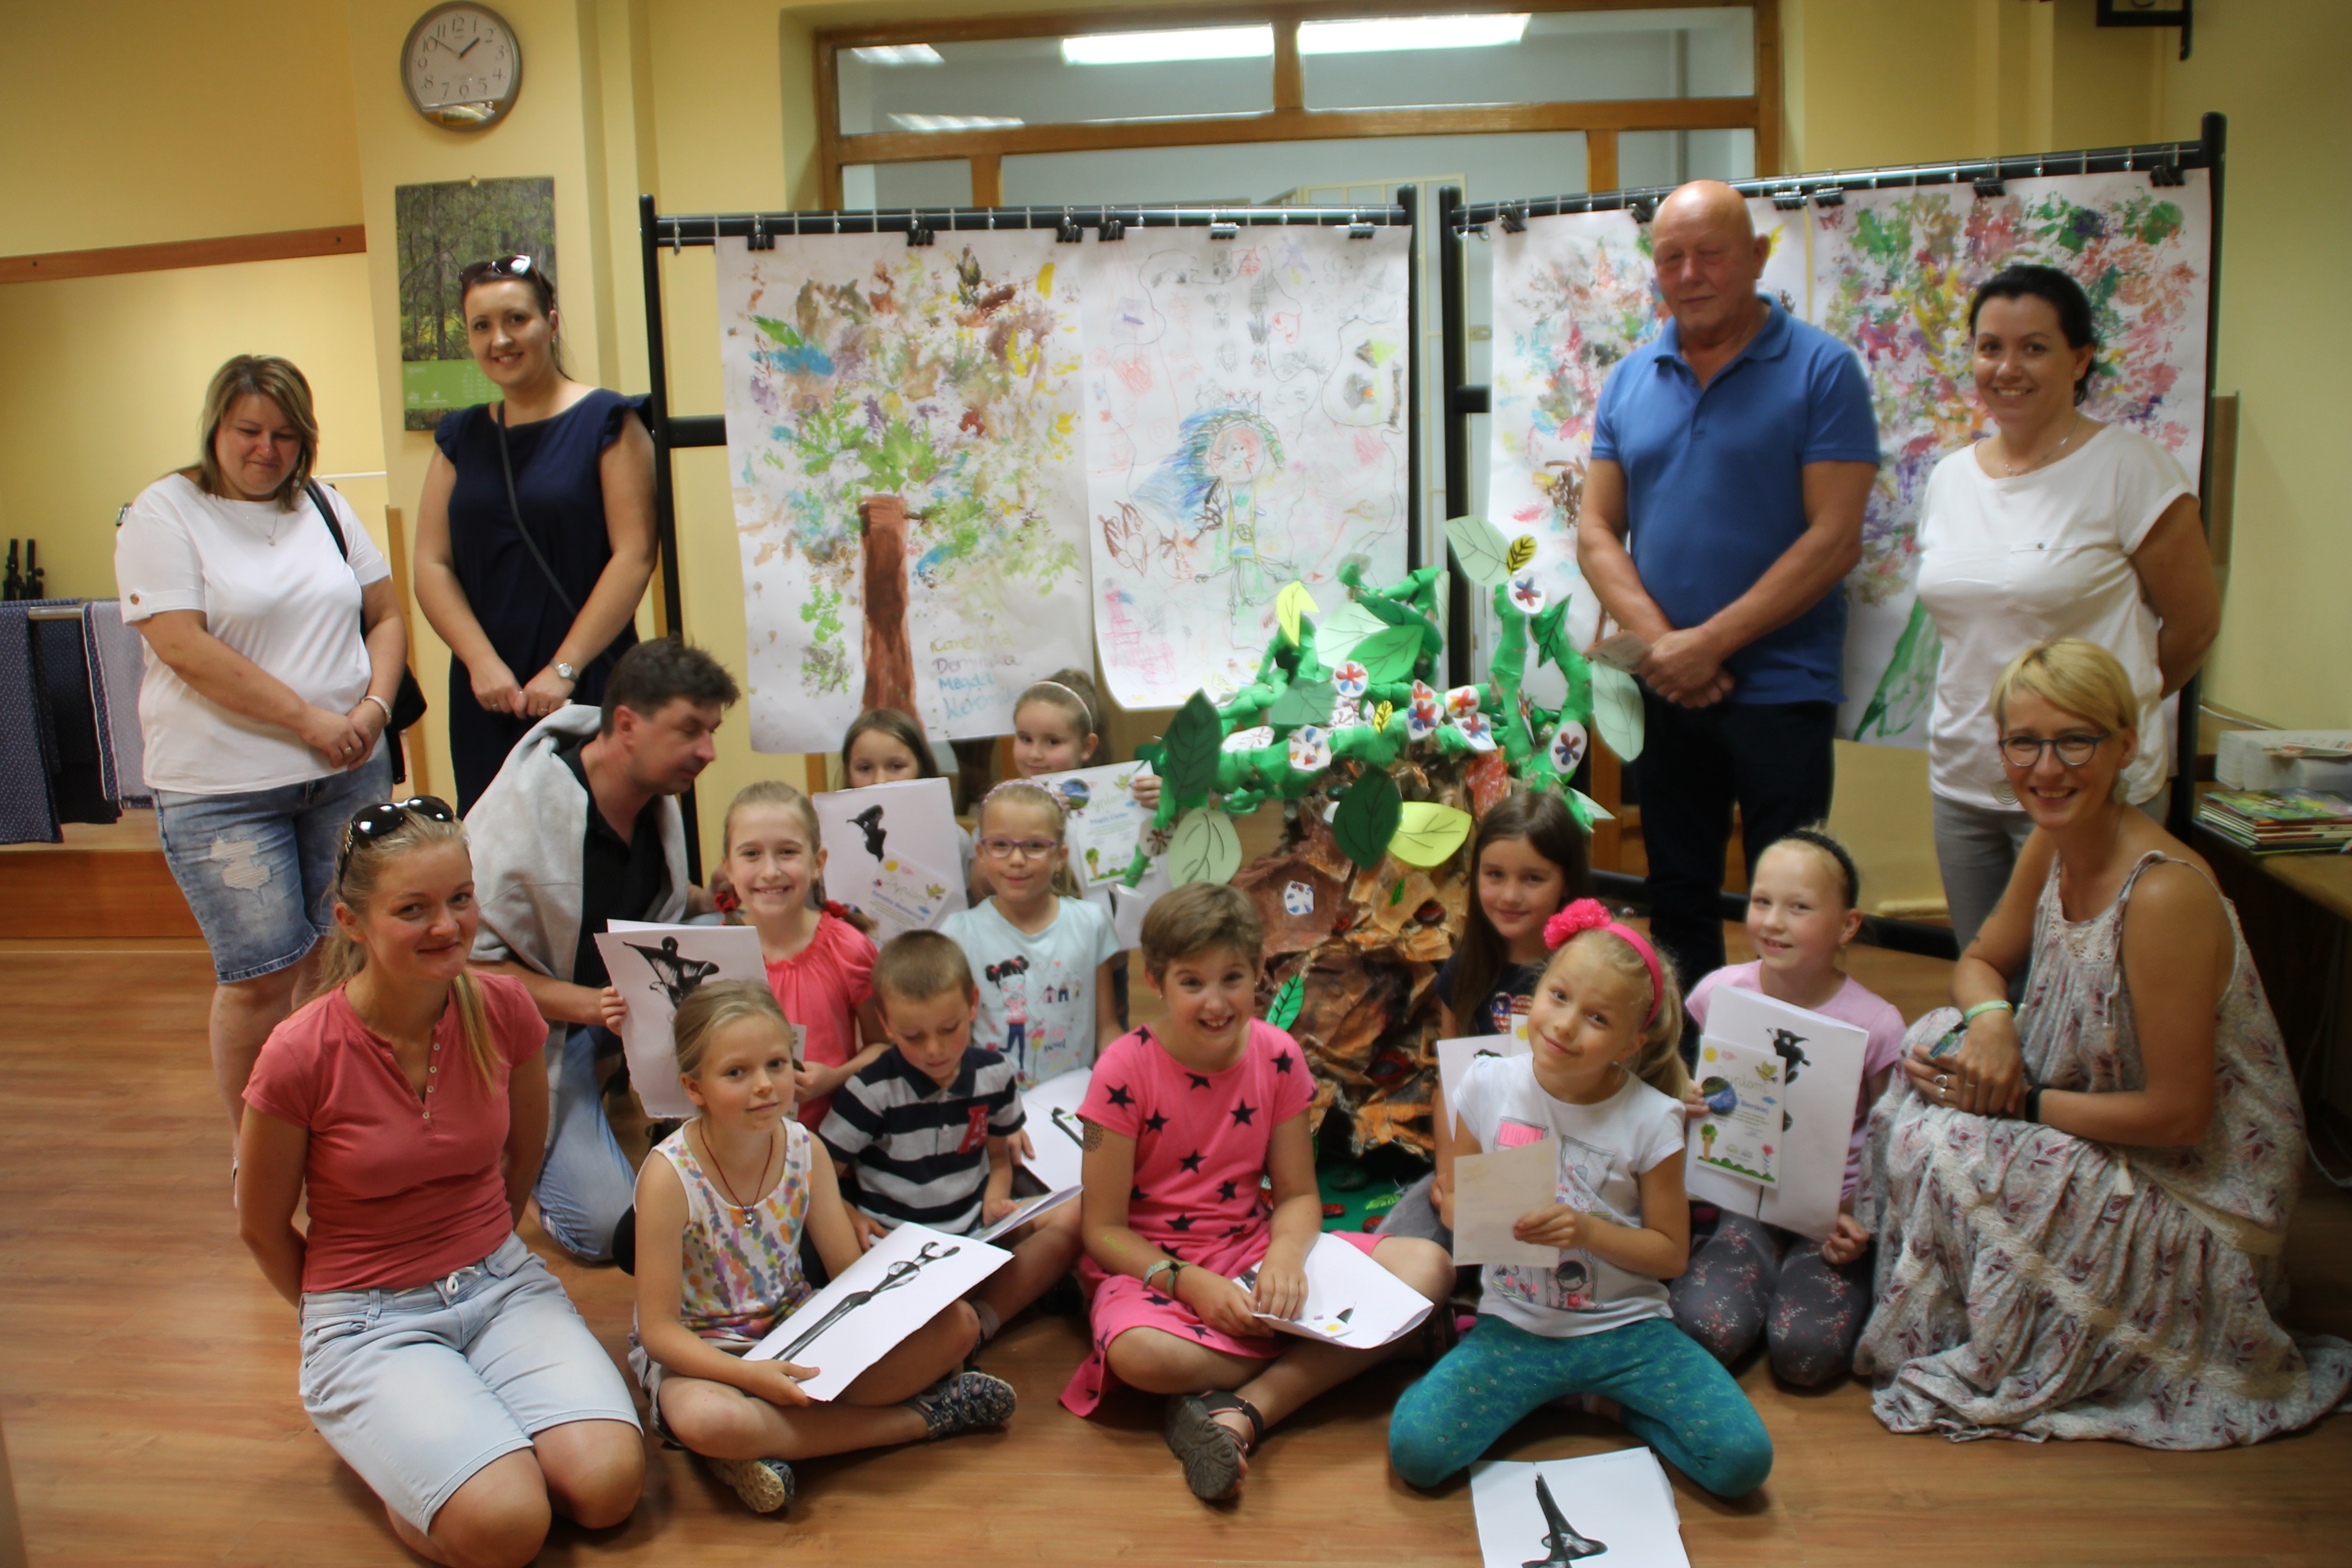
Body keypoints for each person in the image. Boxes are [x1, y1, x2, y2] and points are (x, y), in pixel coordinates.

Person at [1855, 639, 2352, 1445]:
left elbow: (2182, 1118)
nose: (2047, 768)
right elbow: (1980, 961)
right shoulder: (2058, 838)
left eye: (2074, 741)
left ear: (2126, 745)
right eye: (2024, 742)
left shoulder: (2161, 894)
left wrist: (2021, 1102)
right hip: (2100, 1107)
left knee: (1949, 1142)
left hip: (2197, 1188)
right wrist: (1993, 1024)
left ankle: (1989, 1325)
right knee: (1931, 1046)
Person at [237, 798, 642, 1567]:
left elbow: (523, 1157)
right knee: (508, 1526)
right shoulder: (298, 1053)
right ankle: (397, 1441)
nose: (447, 926)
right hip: (369, 1315)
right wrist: (338, 1317)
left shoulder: (504, 1008)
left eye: (460, 899)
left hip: (499, 1283)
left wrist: (487, 1248)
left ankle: (453, 1435)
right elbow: (260, 1225)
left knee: (608, 1488)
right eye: (413, 909)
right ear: (352, 922)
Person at [1576, 178, 1881, 987]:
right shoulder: (1630, 379)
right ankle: (1683, 1053)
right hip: (1668, 689)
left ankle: (1789, 1054)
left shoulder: (1823, 371)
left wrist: (1709, 644)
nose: (1690, 274)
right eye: (1671, 257)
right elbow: (1597, 532)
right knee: (1677, 891)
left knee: (1795, 906)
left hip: (1784, 688)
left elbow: (1835, 538)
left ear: (1756, 255)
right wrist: (1667, 651)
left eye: (1710, 254)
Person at [1063, 883, 1455, 1501]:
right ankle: (1367, 1346)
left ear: (1258, 976)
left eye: (1233, 978)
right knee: (1139, 1355)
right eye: (1192, 982)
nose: (1216, 1002)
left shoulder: (1278, 1055)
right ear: (1157, 981)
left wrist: (1284, 1257)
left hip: (1252, 1250)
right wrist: (1187, 1283)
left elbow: (1297, 1195)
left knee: (1429, 1266)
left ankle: (1245, 1406)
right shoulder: (1122, 1068)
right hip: (1155, 1271)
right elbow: (1102, 1231)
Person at [117, 354, 409, 1148]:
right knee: (260, 976)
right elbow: (183, 646)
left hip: (346, 773)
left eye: (286, 435)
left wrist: (376, 708)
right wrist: (309, 721)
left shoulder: (324, 505)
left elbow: (385, 614)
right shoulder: (164, 512)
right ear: (216, 427)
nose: (266, 450)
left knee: (343, 961)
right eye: (249, 430)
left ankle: (335, 1126)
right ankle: (262, 1152)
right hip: (225, 792)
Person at [1390, 901, 1773, 1499]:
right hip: (1516, 1326)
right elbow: (1457, 1201)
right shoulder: (1487, 1084)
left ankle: (1594, 1402)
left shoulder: (1654, 1118)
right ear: (1535, 993)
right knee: (1416, 1450)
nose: (1565, 1026)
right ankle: (1567, 1397)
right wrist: (1482, 1213)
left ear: (1631, 1041)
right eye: (1559, 996)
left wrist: (1587, 1231)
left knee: (1742, 1461)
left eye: (1597, 1018)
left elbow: (1671, 1254)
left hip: (1629, 1330)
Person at [1915, 263, 2220, 953]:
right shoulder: (1949, 479)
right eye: (1990, 347)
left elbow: (2194, 625)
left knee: (2087, 994)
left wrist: (2104, 717)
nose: (2007, 368)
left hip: (2084, 785)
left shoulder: (2131, 468)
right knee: (1987, 979)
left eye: (2034, 347)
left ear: (2080, 359)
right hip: (1965, 779)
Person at [630, 981, 1013, 1517]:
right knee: (709, 1420)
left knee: (959, 1325)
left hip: (799, 1329)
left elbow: (848, 1275)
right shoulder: (668, 1176)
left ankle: (765, 1443)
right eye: (737, 1073)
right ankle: (919, 1420)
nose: (765, 1085)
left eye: (776, 1064)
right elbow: (660, 1332)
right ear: (695, 1087)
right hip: (708, 1357)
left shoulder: (803, 1148)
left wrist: (914, 1295)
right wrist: (748, 1376)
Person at [465, 636, 738, 1261]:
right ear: (628, 725)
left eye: (712, 732)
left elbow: (645, 902)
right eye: (690, 731)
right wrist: (588, 1007)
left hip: (609, 1011)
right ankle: (521, 1151)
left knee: (739, 926)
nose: (708, 751)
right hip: (539, 1037)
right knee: (608, 1231)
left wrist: (724, 894)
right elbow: (466, 969)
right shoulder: (522, 813)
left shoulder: (651, 794)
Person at [413, 254, 658, 812]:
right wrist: (480, 663)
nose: (500, 339)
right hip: (489, 691)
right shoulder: (460, 436)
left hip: (587, 678)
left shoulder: (608, 421)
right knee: (497, 842)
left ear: (551, 322)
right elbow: (431, 563)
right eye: (482, 326)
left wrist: (564, 668)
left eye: (516, 319)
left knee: (598, 833)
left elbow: (635, 555)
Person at [1670, 829, 1903, 1387]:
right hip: (1741, 1204)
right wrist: (1685, 1097)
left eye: (1799, 907)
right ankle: (1746, 1266)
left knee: (1805, 1354)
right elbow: (1675, 1074)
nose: (1773, 922)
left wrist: (1861, 1223)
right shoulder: (1719, 992)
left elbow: (1891, 1138)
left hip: (1831, 1220)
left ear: (1847, 925)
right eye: (1762, 901)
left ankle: (1797, 1280)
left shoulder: (1877, 1024)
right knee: (1703, 1329)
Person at [820, 930, 1085, 1341]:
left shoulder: (994, 1074)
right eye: (913, 1036)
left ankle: (979, 1325)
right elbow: (817, 1181)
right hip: (896, 1251)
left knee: (1076, 1213)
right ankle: (961, 1324)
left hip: (976, 1234)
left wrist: (995, 1200)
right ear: (886, 1024)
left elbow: (999, 1160)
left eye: (949, 1028)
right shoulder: (870, 1091)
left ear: (974, 1003)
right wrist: (850, 1215)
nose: (934, 1049)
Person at [1378, 790, 1591, 1248]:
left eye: (1533, 878)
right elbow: (1452, 1085)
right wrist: (1451, 1177)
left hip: (1573, 1170)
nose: (1510, 895)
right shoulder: (1467, 970)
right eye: (1494, 875)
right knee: (1400, 1247)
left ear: (1567, 881)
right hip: (1484, 1162)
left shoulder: (1591, 970)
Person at [666, 780, 885, 1134]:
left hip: (833, 1141)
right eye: (751, 854)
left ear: (817, 862)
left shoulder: (848, 948)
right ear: (728, 869)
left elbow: (884, 1045)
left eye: (787, 852)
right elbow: (688, 1056)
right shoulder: (711, 957)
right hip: (739, 1143)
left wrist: (835, 1077)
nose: (770, 871)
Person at [942, 782, 1120, 1087]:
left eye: (1035, 846)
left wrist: (1126, 1079)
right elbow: (955, 1038)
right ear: (981, 854)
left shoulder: (1091, 923)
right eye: (1000, 845)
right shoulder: (958, 933)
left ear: (1060, 856)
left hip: (1074, 1101)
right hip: (992, 1103)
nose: (1017, 860)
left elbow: (1107, 1029)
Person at [839, 707, 976, 888]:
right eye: (865, 768)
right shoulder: (833, 843)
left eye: (896, 766)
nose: (880, 781)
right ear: (848, 773)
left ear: (921, 768)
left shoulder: (954, 839)